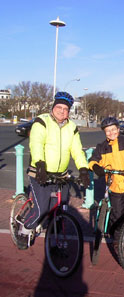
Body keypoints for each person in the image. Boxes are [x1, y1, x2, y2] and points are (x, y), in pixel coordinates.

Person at [17, 91, 91, 250]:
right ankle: (23, 230)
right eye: (59, 107)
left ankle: (53, 239)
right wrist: (40, 164)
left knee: (60, 209)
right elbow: (36, 144)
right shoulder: (41, 121)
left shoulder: (71, 127)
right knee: (42, 208)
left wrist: (83, 169)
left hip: (61, 175)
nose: (62, 111)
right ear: (53, 107)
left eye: (66, 109)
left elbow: (77, 151)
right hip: (40, 172)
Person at [88, 117, 124, 242]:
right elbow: (93, 160)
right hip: (115, 187)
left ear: (118, 129)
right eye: (108, 131)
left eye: (113, 129)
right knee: (117, 215)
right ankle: (119, 241)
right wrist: (95, 167)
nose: (111, 133)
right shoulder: (102, 147)